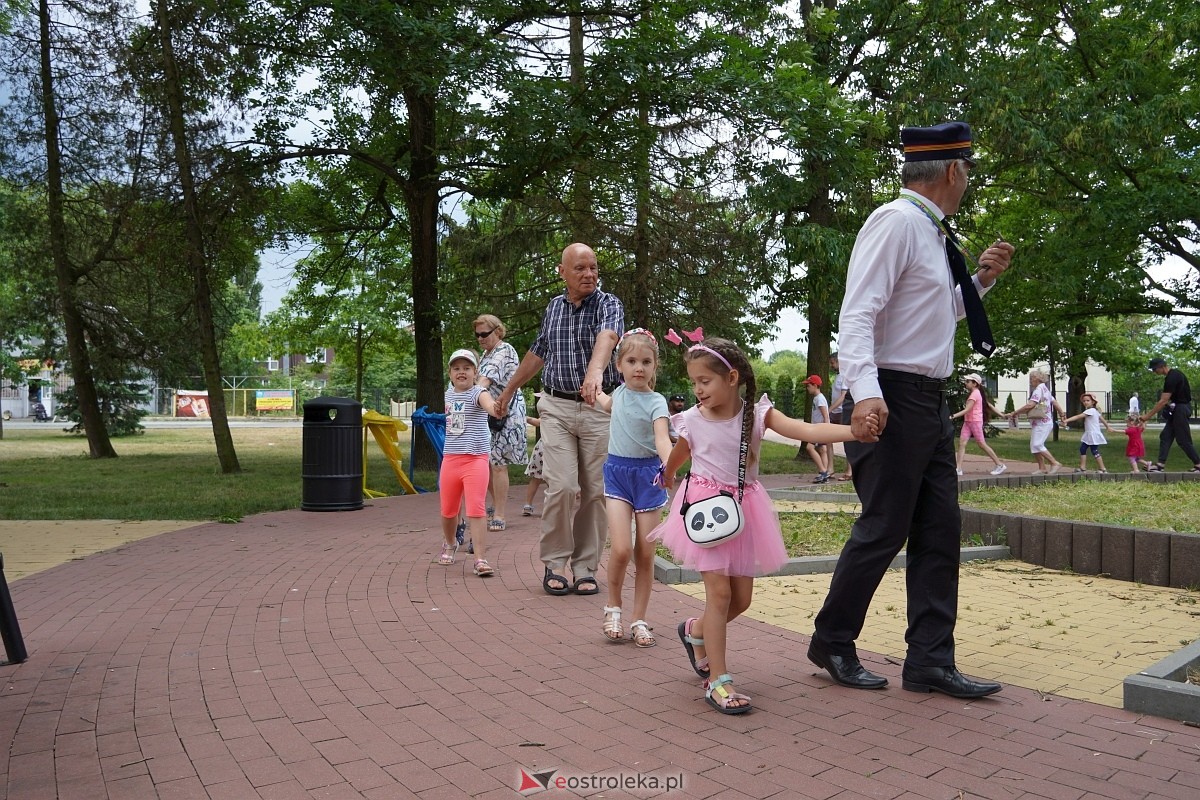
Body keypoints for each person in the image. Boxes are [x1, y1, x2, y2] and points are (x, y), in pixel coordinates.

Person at [808, 121, 1013, 700]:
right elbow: (858, 313)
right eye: (968, 169)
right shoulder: (896, 223)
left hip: (925, 398)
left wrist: (980, 281)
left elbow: (928, 317)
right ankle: (833, 639)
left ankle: (929, 660)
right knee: (884, 527)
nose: (968, 179)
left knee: (938, 529)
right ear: (952, 170)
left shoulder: (932, 233)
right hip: (891, 395)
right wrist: (866, 391)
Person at [653, 337, 877, 715]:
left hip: (744, 509)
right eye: (694, 382)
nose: (697, 389)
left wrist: (854, 433)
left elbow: (806, 431)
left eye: (704, 381)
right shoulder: (691, 419)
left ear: (732, 378)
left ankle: (694, 631)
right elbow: (678, 455)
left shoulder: (757, 414)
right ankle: (718, 681)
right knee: (720, 597)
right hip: (707, 509)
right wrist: (669, 473)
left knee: (741, 601)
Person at [495, 243, 624, 595]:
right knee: (564, 486)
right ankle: (554, 563)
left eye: (594, 267)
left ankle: (585, 567)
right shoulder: (554, 308)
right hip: (556, 407)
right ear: (562, 271)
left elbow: (608, 338)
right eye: (580, 268)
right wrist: (507, 392)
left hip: (599, 409)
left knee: (595, 492)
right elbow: (539, 351)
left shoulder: (608, 304)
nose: (589, 274)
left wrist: (595, 372)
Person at [594, 330, 673, 647]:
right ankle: (613, 607)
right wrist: (595, 391)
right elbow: (607, 405)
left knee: (645, 553)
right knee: (622, 549)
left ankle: (639, 619)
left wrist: (670, 466)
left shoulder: (657, 402)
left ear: (655, 367)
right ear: (619, 365)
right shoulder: (620, 394)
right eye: (631, 361)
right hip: (617, 475)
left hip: (648, 478)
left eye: (645, 362)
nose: (638, 367)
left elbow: (662, 438)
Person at [439, 349, 498, 576]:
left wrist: (496, 408)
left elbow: (490, 406)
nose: (461, 372)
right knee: (448, 510)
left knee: (476, 508)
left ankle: (480, 559)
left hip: (476, 459)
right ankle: (450, 542)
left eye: (466, 368)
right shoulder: (446, 395)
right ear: (450, 373)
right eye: (456, 368)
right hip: (451, 459)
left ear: (475, 372)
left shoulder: (478, 393)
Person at [474, 314, 528, 534]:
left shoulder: (504, 351)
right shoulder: (486, 354)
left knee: (497, 463)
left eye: (484, 334)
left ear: (498, 331)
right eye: (477, 335)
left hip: (507, 412)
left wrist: (468, 396)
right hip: (490, 411)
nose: (480, 338)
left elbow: (483, 381)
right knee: (485, 461)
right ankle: (496, 505)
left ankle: (500, 514)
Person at [1140, 357, 1200, 473]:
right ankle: (1160, 465)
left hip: (1181, 409)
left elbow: (1163, 401)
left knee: (1183, 440)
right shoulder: (1173, 375)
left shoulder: (1172, 377)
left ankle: (1198, 464)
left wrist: (1147, 416)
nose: (1154, 372)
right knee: (1166, 436)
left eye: (1154, 369)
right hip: (1178, 408)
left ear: (1161, 366)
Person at [1010, 369, 1067, 475]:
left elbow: (1030, 405)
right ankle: (1042, 468)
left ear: (1037, 379)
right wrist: (1062, 414)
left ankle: (1054, 463)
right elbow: (1054, 402)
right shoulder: (1045, 389)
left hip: (1043, 423)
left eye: (1031, 378)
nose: (1030, 380)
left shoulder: (1038, 390)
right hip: (1041, 422)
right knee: (1034, 446)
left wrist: (1015, 412)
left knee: (1037, 444)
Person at [950, 373, 1006, 476]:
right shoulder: (976, 393)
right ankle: (958, 468)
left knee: (982, 444)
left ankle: (1000, 465)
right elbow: (989, 405)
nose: (965, 383)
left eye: (968, 381)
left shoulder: (975, 394)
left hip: (975, 422)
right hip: (968, 422)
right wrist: (1002, 415)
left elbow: (967, 410)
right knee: (962, 444)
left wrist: (952, 416)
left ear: (975, 383)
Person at [1063, 392, 1113, 473]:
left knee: (1094, 451)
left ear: (1093, 402)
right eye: (1084, 401)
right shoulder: (1094, 411)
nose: (1085, 402)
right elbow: (1102, 419)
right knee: (1083, 449)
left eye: (1088, 400)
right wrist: (1108, 427)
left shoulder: (1091, 411)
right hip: (1090, 434)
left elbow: (1078, 416)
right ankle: (1083, 467)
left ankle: (1103, 469)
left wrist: (1066, 420)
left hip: (1092, 434)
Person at [802, 375, 832, 483]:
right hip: (819, 428)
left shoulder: (820, 399)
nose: (807, 388)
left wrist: (826, 429)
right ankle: (825, 474)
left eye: (808, 385)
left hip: (819, 429)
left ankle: (822, 471)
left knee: (809, 448)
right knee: (822, 450)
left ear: (815, 385)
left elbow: (826, 415)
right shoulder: (817, 398)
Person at [830, 353, 853, 481]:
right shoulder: (838, 376)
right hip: (835, 412)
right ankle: (830, 469)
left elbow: (843, 396)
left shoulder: (845, 376)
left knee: (847, 440)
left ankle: (849, 471)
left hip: (841, 411)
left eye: (833, 363)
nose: (831, 365)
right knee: (827, 438)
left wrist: (830, 408)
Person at [523, 416, 543, 516]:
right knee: (536, 478)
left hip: (545, 449)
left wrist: (527, 418)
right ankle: (528, 504)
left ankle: (528, 504)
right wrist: (526, 418)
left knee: (537, 478)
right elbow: (538, 422)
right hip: (545, 449)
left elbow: (538, 422)